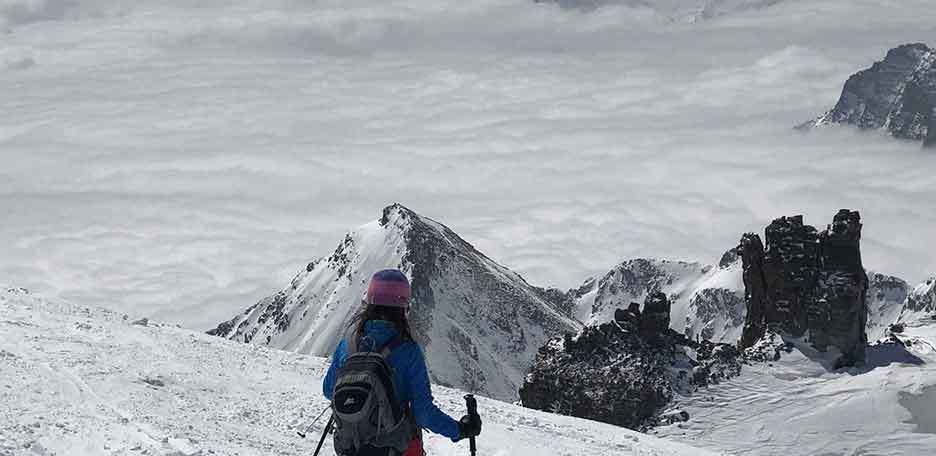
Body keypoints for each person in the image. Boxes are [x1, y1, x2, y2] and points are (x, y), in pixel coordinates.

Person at [323, 269, 482, 456]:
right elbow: (423, 413)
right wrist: (460, 430)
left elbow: (328, 389)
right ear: (403, 308)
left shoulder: (347, 345)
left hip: (351, 447)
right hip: (394, 448)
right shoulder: (408, 351)